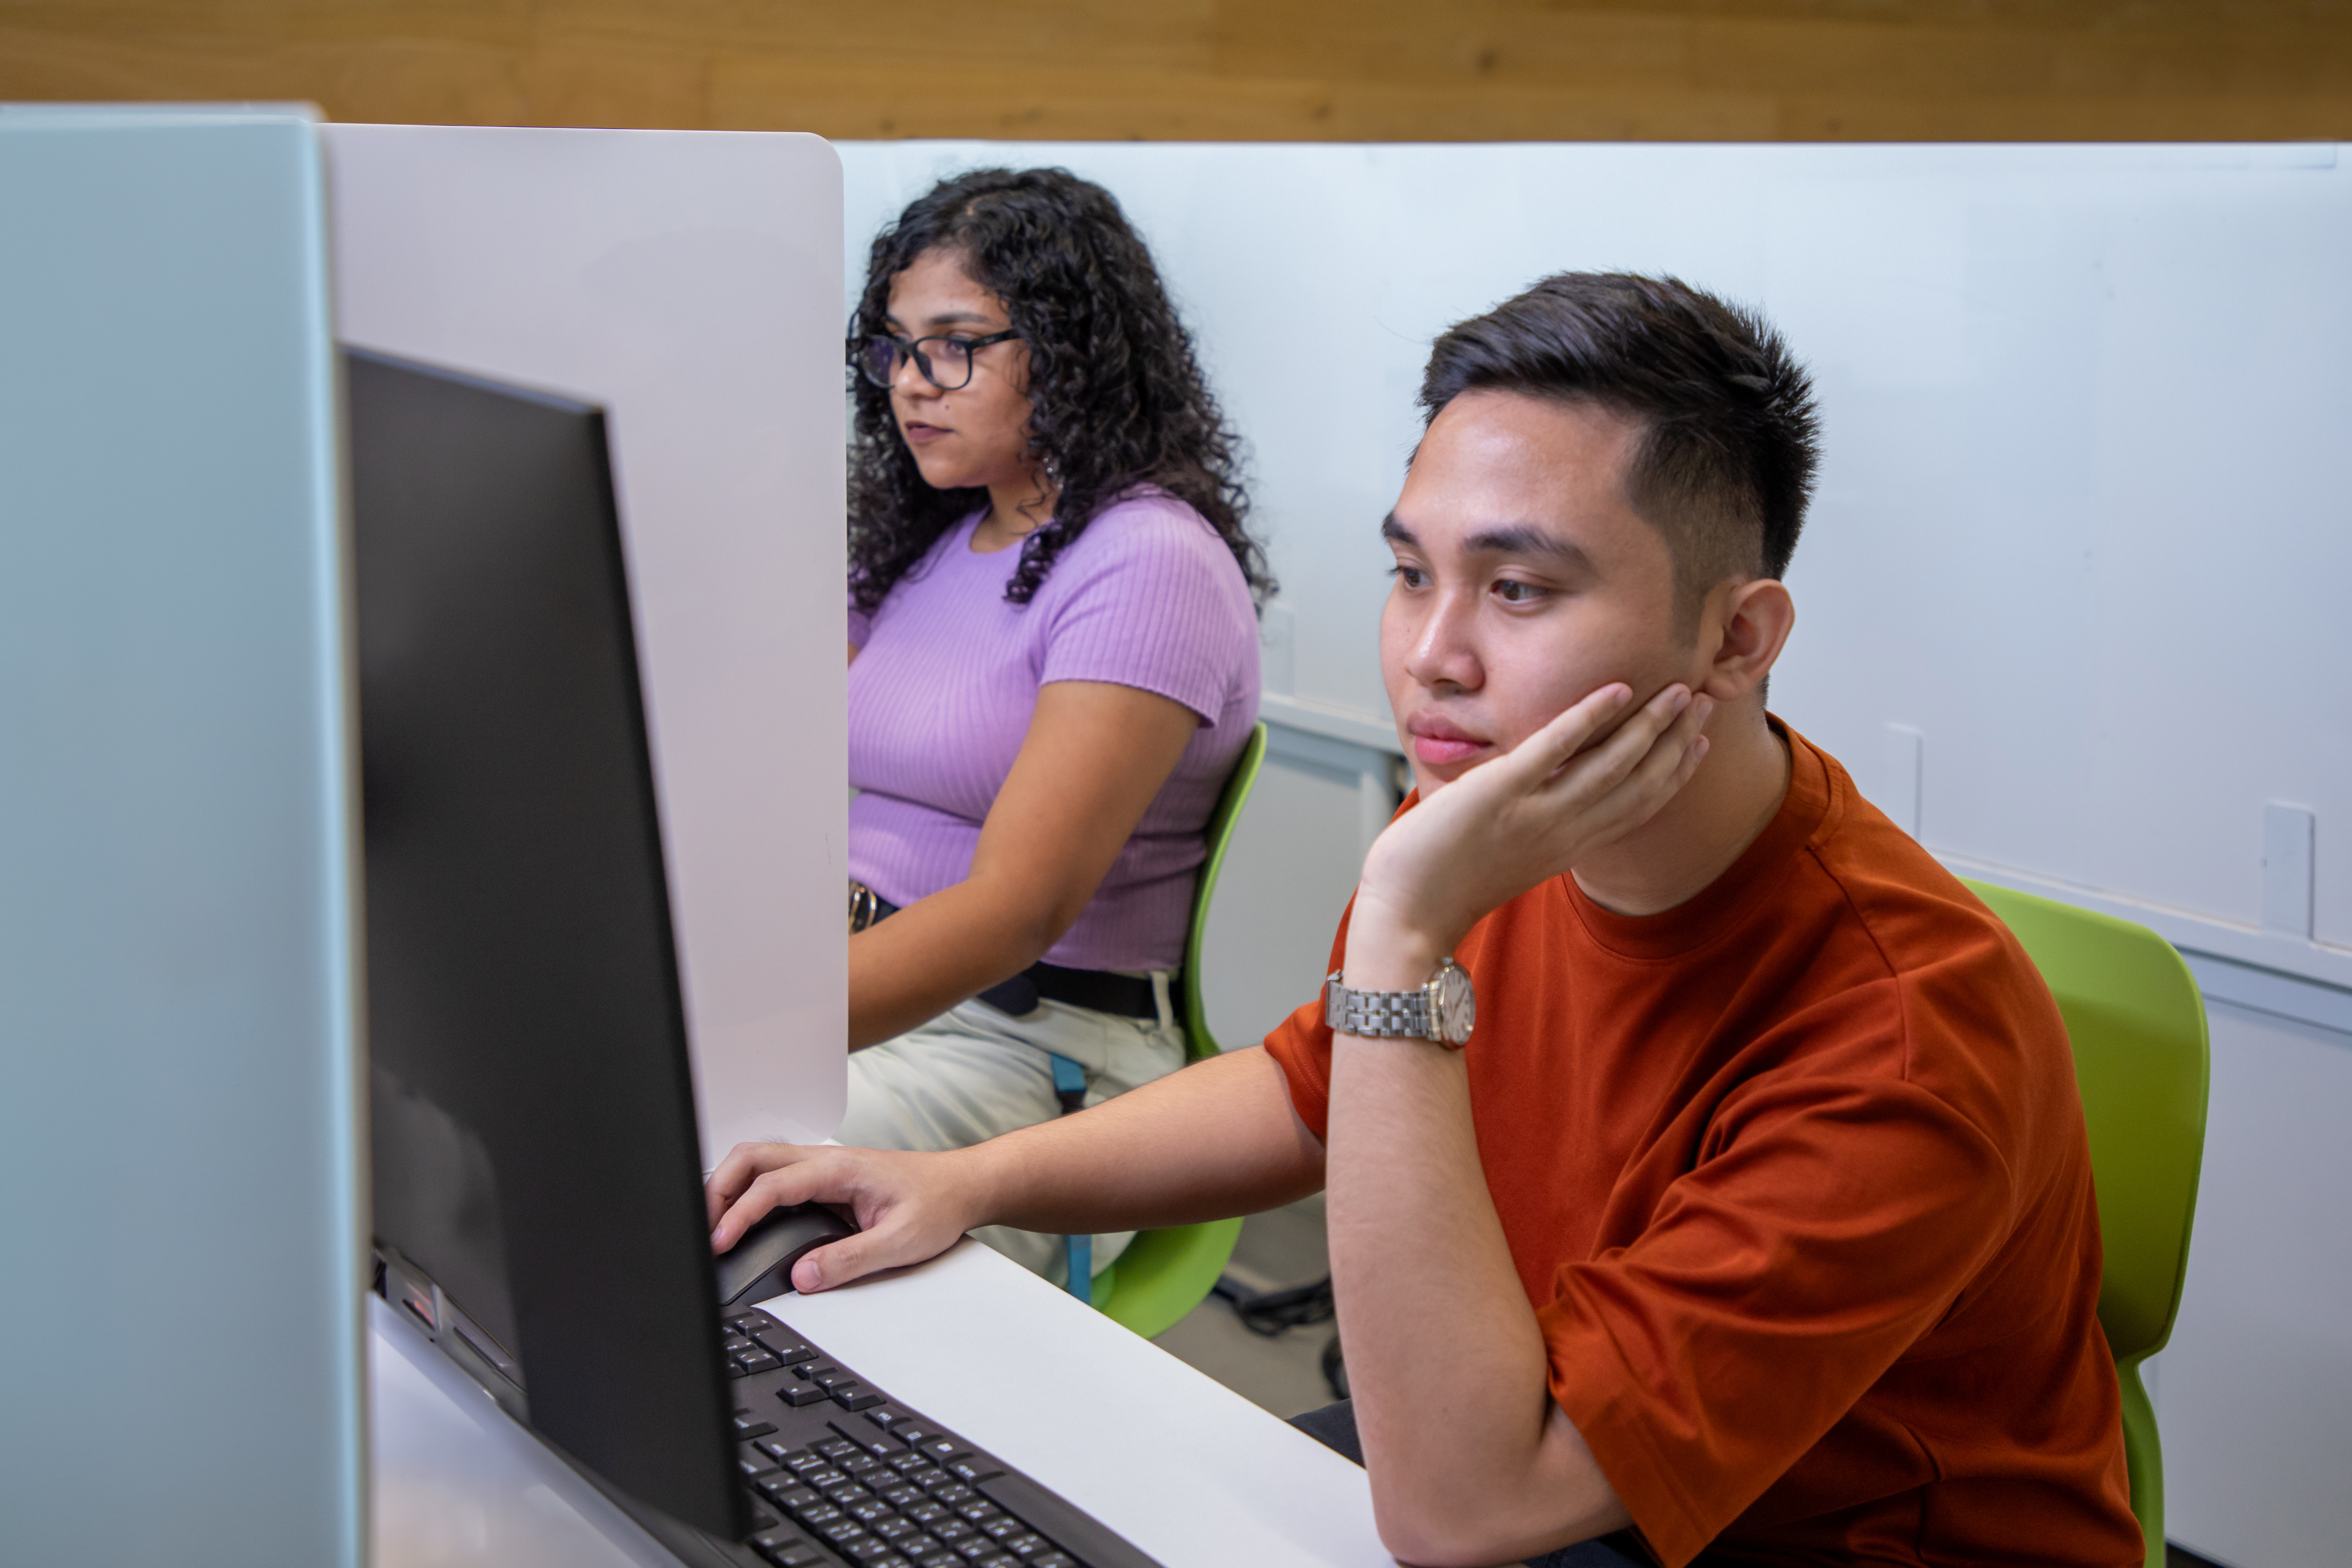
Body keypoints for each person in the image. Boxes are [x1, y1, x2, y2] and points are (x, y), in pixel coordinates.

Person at [719, 273, 2141, 1568]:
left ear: (1737, 639)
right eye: (1413, 574)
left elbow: (1475, 1510)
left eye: (1519, 588)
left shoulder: (1902, 1035)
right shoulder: (1494, 825)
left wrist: (1402, 935)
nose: (1433, 659)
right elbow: (1308, 1088)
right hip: (1539, 1455)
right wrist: (975, 1182)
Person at [838, 167, 1270, 1287]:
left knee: (695, 1162)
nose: (910, 385)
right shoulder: (917, 543)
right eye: (893, 347)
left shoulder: (1147, 561)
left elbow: (1016, 909)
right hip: (869, 1006)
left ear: (1069, 352)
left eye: (955, 345)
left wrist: (760, 1034)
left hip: (1035, 1055)